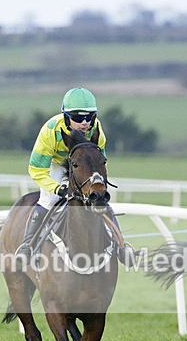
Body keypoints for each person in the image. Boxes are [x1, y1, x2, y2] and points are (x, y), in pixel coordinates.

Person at [13, 87, 136, 270]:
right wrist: (57, 188)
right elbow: (36, 170)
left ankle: (121, 247)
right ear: (66, 117)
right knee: (49, 199)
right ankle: (27, 246)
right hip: (56, 163)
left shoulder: (96, 129)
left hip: (83, 164)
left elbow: (100, 162)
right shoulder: (50, 131)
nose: (84, 122)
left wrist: (99, 185)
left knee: (100, 200)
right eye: (78, 118)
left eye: (89, 117)